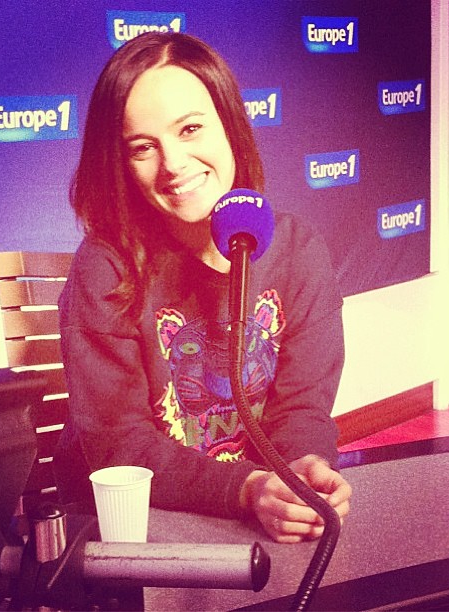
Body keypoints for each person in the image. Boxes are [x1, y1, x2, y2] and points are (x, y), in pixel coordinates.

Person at [53, 31, 352, 544]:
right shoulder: (105, 266)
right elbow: (119, 443)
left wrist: (302, 469)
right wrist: (247, 489)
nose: (172, 164)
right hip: (130, 526)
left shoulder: (299, 251)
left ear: (230, 124)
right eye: (142, 148)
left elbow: (302, 409)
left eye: (190, 129)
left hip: (254, 520)